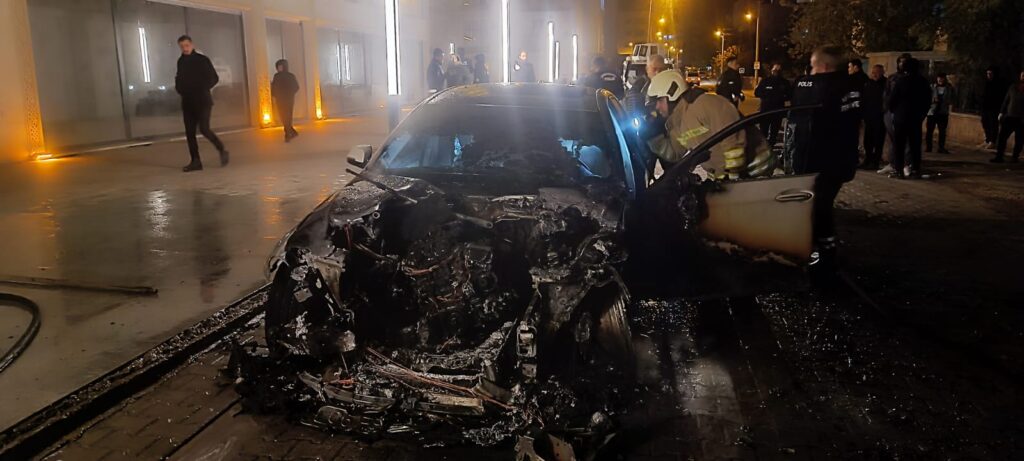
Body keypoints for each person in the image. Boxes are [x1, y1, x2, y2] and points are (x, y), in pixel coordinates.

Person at [784, 46, 861, 276]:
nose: (811, 70)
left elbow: (800, 113)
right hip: (842, 161)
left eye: (813, 65)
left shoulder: (817, 86)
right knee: (822, 206)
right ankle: (824, 253)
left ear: (824, 67)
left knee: (816, 208)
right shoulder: (852, 86)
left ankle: (822, 258)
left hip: (817, 161)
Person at [646, 70, 775, 179]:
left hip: (758, 174)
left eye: (659, 100)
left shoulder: (706, 103)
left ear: (672, 93)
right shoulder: (677, 123)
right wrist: (653, 137)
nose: (657, 107)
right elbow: (674, 153)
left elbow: (732, 136)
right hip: (727, 180)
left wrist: (733, 176)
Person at [175, 35, 228, 172]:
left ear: (192, 45)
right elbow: (179, 78)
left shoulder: (202, 60)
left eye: (187, 46)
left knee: (204, 128)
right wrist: (179, 88)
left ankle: (221, 149)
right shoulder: (181, 62)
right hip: (187, 102)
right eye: (182, 46)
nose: (185, 49)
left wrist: (203, 88)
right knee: (190, 133)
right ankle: (195, 161)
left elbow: (214, 78)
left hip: (203, 101)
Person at [887, 57, 931, 178]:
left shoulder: (901, 81)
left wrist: (893, 111)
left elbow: (892, 99)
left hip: (901, 117)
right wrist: (922, 114)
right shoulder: (923, 82)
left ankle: (898, 170)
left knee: (899, 145)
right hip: (916, 117)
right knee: (915, 145)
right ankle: (915, 169)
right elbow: (927, 100)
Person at [753, 63, 792, 148]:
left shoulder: (785, 83)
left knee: (774, 132)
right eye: (774, 69)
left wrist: (781, 97)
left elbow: (790, 95)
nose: (776, 71)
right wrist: (767, 96)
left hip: (778, 111)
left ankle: (771, 146)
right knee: (763, 131)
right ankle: (763, 147)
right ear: (771, 70)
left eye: (778, 69)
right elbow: (757, 93)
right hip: (765, 110)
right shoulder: (765, 81)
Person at [991, 71, 1024, 163]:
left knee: (1019, 139)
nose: (1023, 77)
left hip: (1021, 119)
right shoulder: (1013, 87)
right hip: (1010, 116)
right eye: (1022, 75)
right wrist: (1001, 112)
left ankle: (1015, 157)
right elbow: (1006, 100)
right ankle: (999, 156)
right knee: (1002, 137)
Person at [860, 64, 887, 170]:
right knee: (868, 140)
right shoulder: (868, 84)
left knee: (878, 140)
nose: (875, 75)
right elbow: (864, 99)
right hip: (869, 116)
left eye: (877, 72)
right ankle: (868, 159)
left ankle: (875, 161)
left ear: (882, 72)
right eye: (873, 72)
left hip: (880, 117)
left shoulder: (886, 84)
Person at [925, 73, 956, 154]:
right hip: (932, 112)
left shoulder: (949, 88)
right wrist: (933, 100)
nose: (940, 80)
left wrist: (947, 103)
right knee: (929, 131)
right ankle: (929, 147)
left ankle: (941, 147)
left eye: (942, 79)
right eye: (939, 78)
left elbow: (953, 98)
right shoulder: (932, 87)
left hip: (943, 112)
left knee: (942, 131)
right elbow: (927, 97)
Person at [271, 59, 300, 142]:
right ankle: (292, 131)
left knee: (288, 116)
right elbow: (274, 86)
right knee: (283, 116)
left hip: (288, 99)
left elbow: (296, 86)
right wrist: (274, 94)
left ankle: (287, 134)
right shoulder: (276, 76)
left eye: (280, 66)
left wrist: (290, 93)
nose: (279, 68)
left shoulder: (290, 76)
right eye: (278, 66)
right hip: (280, 99)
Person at [981, 67, 1008, 149]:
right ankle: (987, 140)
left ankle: (992, 141)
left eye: (990, 74)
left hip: (994, 108)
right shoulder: (986, 83)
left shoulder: (999, 84)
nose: (988, 75)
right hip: (986, 108)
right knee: (985, 123)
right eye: (987, 74)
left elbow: (1000, 97)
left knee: (993, 125)